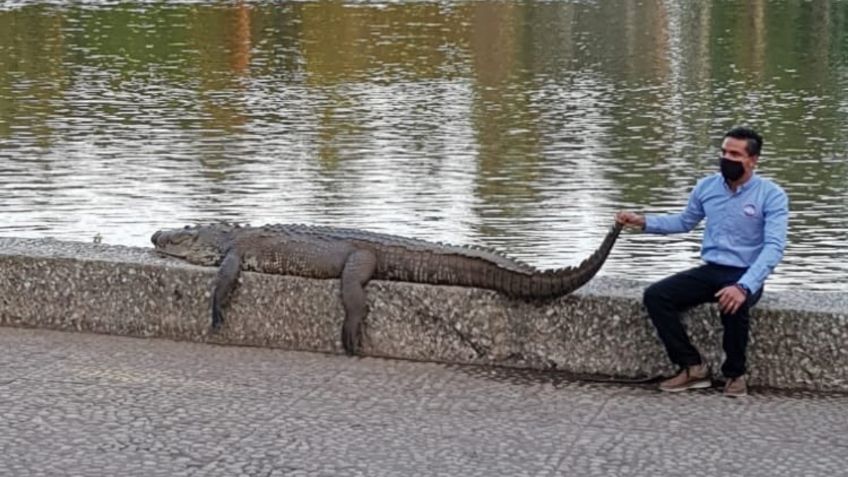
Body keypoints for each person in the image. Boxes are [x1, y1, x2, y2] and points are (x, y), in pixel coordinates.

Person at [616, 127, 789, 397]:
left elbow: (774, 248)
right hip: (712, 269)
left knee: (733, 303)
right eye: (723, 152)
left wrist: (745, 286)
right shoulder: (706, 187)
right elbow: (684, 221)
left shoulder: (771, 195)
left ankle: (735, 375)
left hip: (745, 272)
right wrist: (644, 221)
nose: (726, 158)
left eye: (735, 154)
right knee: (657, 296)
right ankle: (692, 367)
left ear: (753, 160)